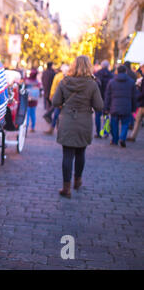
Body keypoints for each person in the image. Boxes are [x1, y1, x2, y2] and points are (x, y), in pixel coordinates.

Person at [52, 56, 103, 198]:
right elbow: (99, 106)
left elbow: (55, 102)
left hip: (67, 120)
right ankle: (78, 181)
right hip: (84, 121)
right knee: (81, 153)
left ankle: (66, 188)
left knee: (67, 155)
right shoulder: (92, 84)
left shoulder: (64, 82)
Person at [104, 65, 137, 148]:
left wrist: (106, 108)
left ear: (117, 71)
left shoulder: (111, 82)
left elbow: (107, 96)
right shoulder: (131, 82)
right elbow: (134, 97)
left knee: (114, 124)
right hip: (127, 106)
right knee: (125, 124)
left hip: (114, 106)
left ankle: (115, 139)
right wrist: (133, 108)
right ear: (126, 71)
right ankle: (122, 138)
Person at [44, 64, 70, 135]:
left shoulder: (59, 76)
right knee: (58, 114)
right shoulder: (64, 77)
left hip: (61, 98)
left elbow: (53, 87)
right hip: (62, 99)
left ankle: (55, 129)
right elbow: (54, 87)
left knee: (57, 115)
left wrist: (51, 95)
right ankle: (57, 129)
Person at [93, 60, 114, 138]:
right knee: (106, 116)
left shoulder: (96, 74)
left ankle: (98, 132)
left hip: (98, 98)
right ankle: (106, 132)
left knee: (97, 116)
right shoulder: (111, 75)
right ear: (108, 66)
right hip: (107, 99)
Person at [25, 68, 40, 133]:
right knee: (33, 114)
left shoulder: (27, 81)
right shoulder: (37, 82)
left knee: (27, 115)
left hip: (27, 101)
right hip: (34, 101)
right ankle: (32, 127)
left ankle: (26, 128)